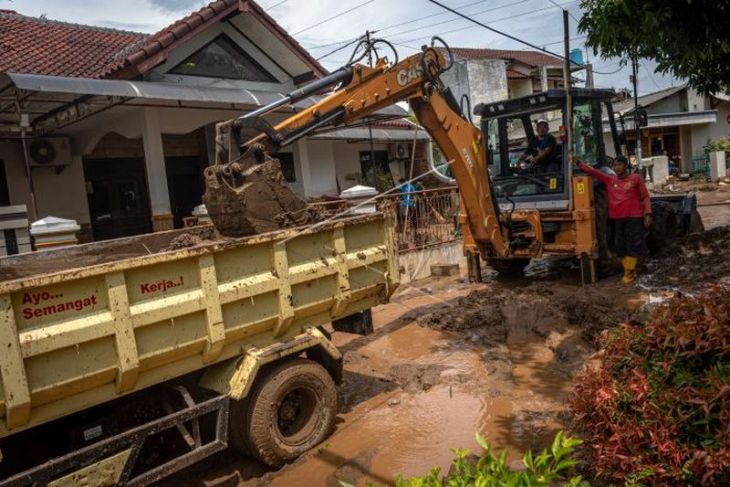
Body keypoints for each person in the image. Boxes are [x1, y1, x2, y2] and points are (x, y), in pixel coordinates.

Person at [577, 156, 652, 284]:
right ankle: (630, 269)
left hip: (634, 217)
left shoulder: (636, 178)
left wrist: (648, 213)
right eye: (615, 165)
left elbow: (645, 197)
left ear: (625, 165)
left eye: (619, 165)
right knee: (619, 247)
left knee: (632, 246)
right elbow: (594, 172)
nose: (616, 168)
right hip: (618, 219)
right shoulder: (610, 180)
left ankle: (629, 273)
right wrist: (580, 164)